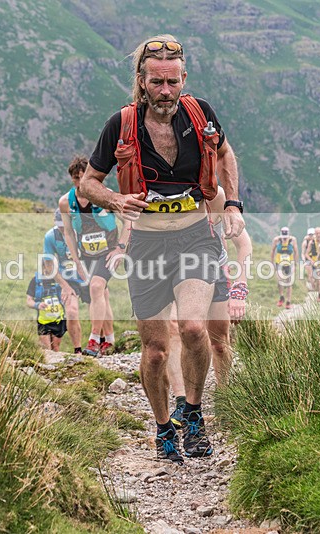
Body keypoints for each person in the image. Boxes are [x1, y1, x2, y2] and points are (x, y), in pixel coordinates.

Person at [79, 34, 244, 464]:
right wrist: (116, 200)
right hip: (148, 244)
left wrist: (232, 204)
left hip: (194, 235)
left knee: (193, 328)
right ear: (141, 80)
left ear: (183, 78)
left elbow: (226, 156)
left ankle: (192, 412)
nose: (166, 92)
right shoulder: (122, 123)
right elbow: (88, 183)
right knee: (154, 350)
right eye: (157, 82)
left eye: (173, 82)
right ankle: (163, 427)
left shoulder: (200, 113)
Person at [162, 187, 252, 428]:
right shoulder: (165, 194)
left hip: (215, 269)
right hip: (176, 271)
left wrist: (239, 291)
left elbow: (244, 246)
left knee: (219, 343)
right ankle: (182, 403)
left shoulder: (216, 196)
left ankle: (223, 398)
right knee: (173, 327)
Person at [58, 156, 120, 357]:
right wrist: (75, 260)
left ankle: (94, 340)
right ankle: (109, 341)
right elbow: (68, 232)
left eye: (83, 177)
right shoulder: (65, 202)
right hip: (87, 254)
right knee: (102, 294)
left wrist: (120, 248)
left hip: (108, 252)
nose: (79, 181)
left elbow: (129, 220)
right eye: (75, 178)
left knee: (96, 288)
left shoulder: (106, 195)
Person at [43, 208, 89, 354]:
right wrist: (65, 286)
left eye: (64, 224)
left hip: (90, 273)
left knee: (98, 309)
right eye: (59, 225)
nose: (62, 228)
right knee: (72, 311)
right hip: (69, 278)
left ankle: (103, 343)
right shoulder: (51, 236)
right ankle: (78, 350)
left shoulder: (82, 230)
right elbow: (49, 267)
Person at [26, 262, 67, 351]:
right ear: (42, 267)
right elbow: (28, 300)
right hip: (43, 320)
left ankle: (56, 365)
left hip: (59, 320)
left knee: (55, 348)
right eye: (46, 266)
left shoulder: (61, 280)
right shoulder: (36, 281)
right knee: (46, 349)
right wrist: (37, 305)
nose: (48, 269)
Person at [271, 226, 297, 309]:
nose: (285, 239)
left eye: (286, 237)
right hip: (279, 263)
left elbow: (296, 252)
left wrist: (295, 264)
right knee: (280, 280)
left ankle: (288, 301)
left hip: (289, 264)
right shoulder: (276, 240)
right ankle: (281, 297)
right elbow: (272, 251)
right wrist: (272, 263)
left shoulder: (293, 240)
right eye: (283, 237)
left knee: (289, 282)